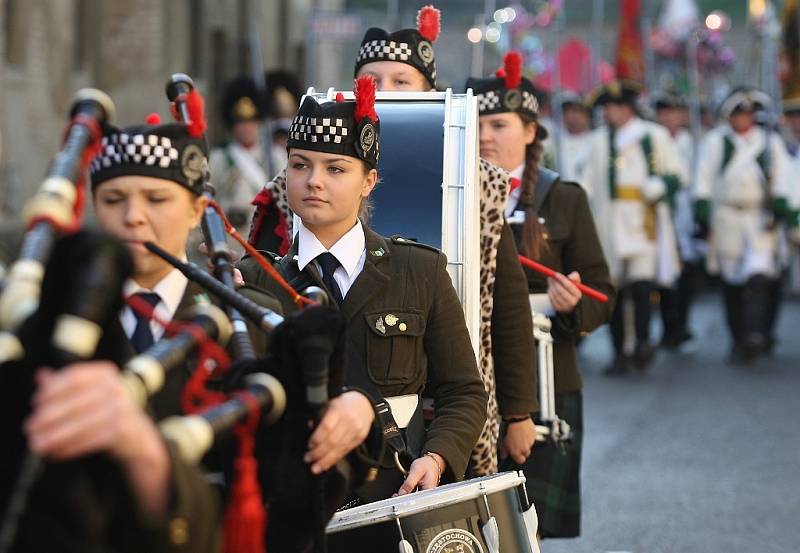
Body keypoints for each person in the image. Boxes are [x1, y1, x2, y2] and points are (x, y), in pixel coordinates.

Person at [249, 4, 538, 477]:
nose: (385, 92)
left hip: (413, 437)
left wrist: (518, 411)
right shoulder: (290, 186)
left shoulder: (478, 181)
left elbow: (505, 303)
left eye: (401, 81)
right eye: (372, 79)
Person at [239, 76, 488, 503]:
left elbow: (462, 390)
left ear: (368, 181)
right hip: (296, 499)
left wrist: (437, 458)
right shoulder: (257, 279)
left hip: (394, 489)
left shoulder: (419, 270)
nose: (313, 181)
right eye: (300, 165)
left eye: (335, 168)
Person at [5, 112, 238, 553]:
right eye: (113, 200)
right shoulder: (49, 325)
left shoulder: (242, 322)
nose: (133, 217)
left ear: (196, 211)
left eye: (155, 199)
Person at [467, 52, 614, 539]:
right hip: (472, 375)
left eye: (500, 124)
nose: (487, 135)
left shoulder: (564, 197)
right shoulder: (455, 195)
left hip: (550, 379)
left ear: (530, 131)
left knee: (530, 529)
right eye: (479, 123)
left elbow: (601, 293)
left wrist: (574, 304)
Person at [582, 80, 685, 374]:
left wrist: (660, 185)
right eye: (608, 108)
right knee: (614, 289)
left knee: (641, 285)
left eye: (615, 107)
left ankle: (642, 341)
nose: (610, 114)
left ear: (628, 109)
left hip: (643, 219)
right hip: (611, 220)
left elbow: (677, 175)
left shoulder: (654, 136)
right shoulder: (600, 141)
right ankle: (619, 350)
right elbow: (587, 181)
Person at [694, 86, 794, 362]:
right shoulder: (717, 141)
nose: (743, 119)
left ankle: (754, 332)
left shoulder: (768, 142)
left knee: (759, 277)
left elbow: (782, 175)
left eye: (748, 113)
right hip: (728, 217)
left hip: (759, 217)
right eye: (738, 113)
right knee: (732, 282)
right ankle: (739, 337)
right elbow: (703, 176)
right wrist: (701, 209)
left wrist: (782, 203)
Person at [652, 90, 701, 350]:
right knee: (665, 273)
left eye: (674, 112)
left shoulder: (691, 143)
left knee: (687, 274)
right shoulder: (653, 140)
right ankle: (669, 325)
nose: (669, 117)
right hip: (662, 211)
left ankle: (682, 324)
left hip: (685, 213)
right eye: (664, 112)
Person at [209, 75, 270, 234]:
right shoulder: (219, 158)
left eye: (251, 121)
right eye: (240, 122)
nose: (246, 128)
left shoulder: (274, 156)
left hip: (262, 236)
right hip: (229, 234)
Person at [545, 91, 594, 183]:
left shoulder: (595, 141)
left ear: (588, 116)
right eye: (571, 111)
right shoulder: (554, 141)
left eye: (580, 112)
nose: (575, 116)